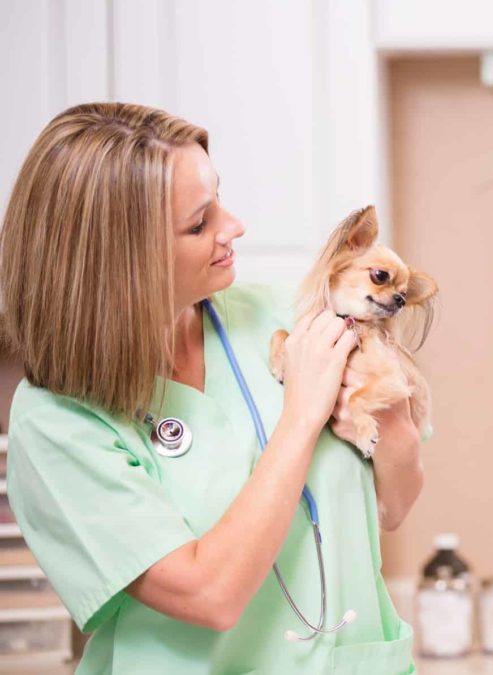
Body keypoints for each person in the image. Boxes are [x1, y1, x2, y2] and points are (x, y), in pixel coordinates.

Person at [0, 103, 424, 673]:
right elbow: (208, 595)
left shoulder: (288, 315)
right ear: (123, 262)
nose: (234, 226)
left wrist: (385, 411)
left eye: (217, 197)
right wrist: (302, 414)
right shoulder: (55, 421)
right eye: (200, 223)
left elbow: (395, 505)